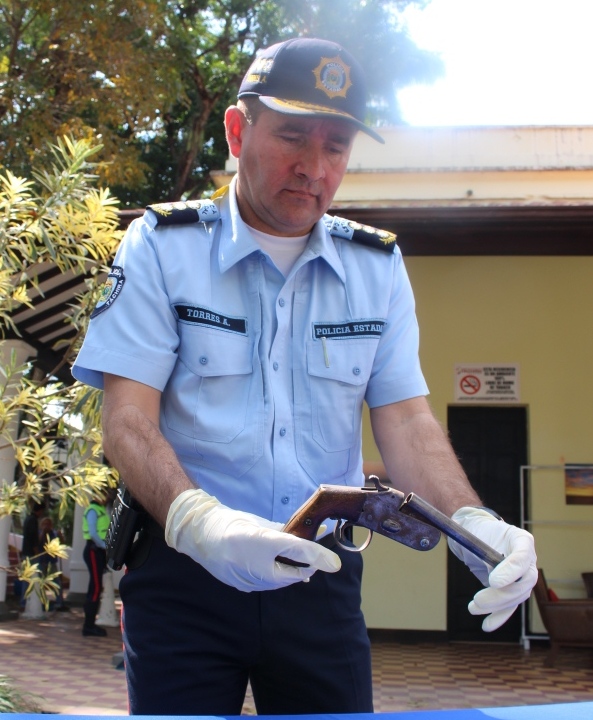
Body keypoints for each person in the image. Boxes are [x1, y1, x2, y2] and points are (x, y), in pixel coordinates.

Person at [72, 37, 537, 715]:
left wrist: (472, 521)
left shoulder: (374, 268)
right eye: (292, 136)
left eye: (336, 147)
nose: (313, 167)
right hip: (183, 575)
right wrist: (202, 524)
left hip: (319, 579)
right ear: (237, 130)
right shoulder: (162, 248)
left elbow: (405, 421)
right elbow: (128, 422)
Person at [81, 496, 109, 636]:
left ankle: (89, 624)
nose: (107, 497)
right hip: (94, 550)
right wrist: (104, 546)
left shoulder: (99, 509)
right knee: (96, 587)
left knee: (95, 587)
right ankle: (88, 626)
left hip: (98, 551)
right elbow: (93, 533)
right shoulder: (93, 510)